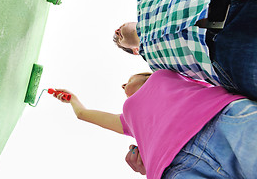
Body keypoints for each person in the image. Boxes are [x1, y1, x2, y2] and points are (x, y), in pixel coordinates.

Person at [64, 0, 257, 100]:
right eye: (119, 40)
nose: (117, 33)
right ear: (135, 51)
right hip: (236, 58)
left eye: (118, 29)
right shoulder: (159, 72)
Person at [52, 70, 257, 178]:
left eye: (129, 78)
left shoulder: (165, 71)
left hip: (222, 120)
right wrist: (73, 99)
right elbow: (83, 114)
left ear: (145, 76)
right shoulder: (127, 119)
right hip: (176, 169)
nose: (123, 85)